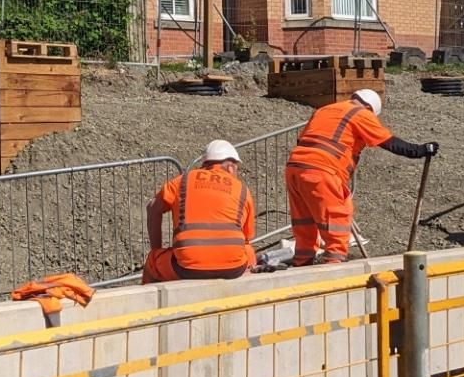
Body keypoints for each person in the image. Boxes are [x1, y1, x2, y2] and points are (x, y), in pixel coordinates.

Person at [284, 89, 437, 266]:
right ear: (370, 108)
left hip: (295, 168)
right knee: (337, 219)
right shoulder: (360, 113)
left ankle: (302, 262)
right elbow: (389, 142)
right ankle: (333, 266)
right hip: (322, 170)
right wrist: (420, 150)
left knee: (304, 220)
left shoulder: (325, 110)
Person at [141, 140, 257, 284]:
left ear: (205, 164)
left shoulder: (182, 181)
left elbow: (152, 207)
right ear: (230, 168)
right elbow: (247, 237)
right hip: (234, 268)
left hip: (186, 267)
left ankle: (152, 304)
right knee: (249, 251)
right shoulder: (242, 190)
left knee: (153, 260)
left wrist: (157, 250)